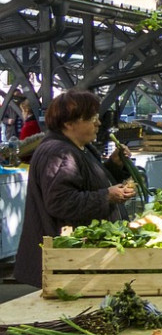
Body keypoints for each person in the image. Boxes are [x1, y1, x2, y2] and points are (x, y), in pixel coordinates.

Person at [14, 90, 135, 287]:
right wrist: (107, 196)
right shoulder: (59, 153)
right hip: (65, 264)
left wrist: (114, 165)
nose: (98, 123)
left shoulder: (78, 147)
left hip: (76, 261)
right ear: (69, 124)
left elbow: (86, 181)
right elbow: (61, 203)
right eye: (91, 118)